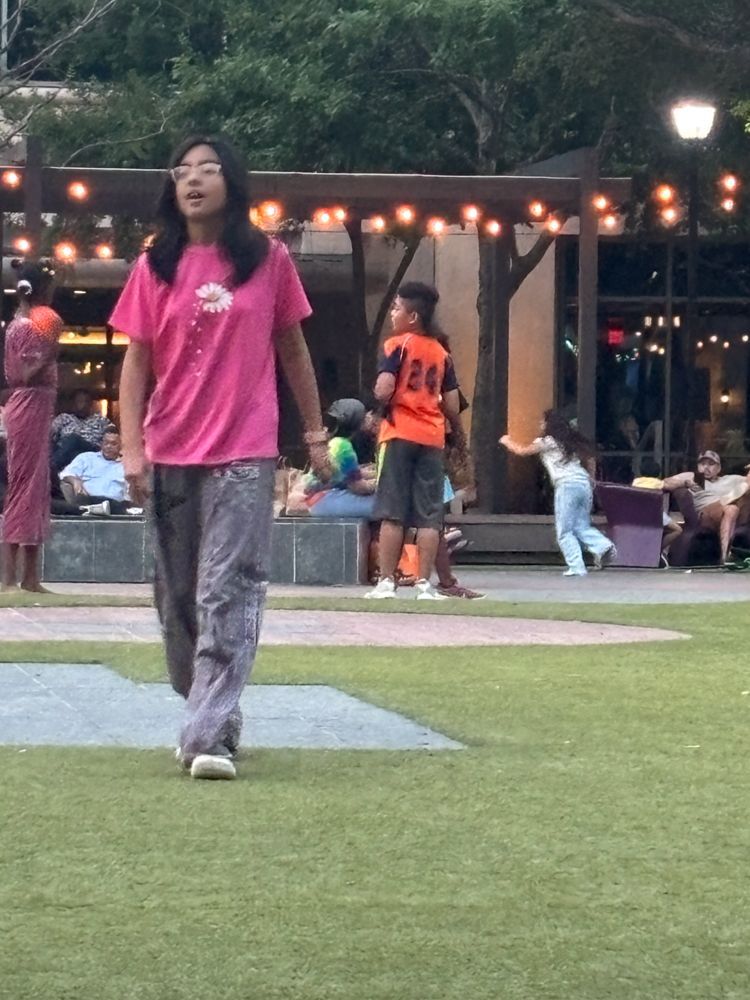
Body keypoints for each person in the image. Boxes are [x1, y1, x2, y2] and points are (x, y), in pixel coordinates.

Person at [110, 134, 330, 781]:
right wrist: (131, 448)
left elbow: (293, 350)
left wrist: (315, 433)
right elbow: (134, 365)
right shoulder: (155, 266)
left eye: (208, 169)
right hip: (171, 449)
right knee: (176, 599)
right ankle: (212, 707)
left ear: (232, 181)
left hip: (245, 450)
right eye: (183, 172)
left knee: (226, 590)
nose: (194, 180)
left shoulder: (268, 260)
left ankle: (205, 736)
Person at [365, 281, 460, 600]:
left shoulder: (397, 345)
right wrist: (456, 433)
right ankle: (424, 584)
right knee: (430, 516)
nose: (393, 313)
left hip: (399, 432)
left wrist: (380, 401)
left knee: (393, 511)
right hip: (432, 437)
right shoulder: (442, 353)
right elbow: (452, 403)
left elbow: (384, 388)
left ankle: (387, 582)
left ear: (413, 316)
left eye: (396, 308)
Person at [1, 260, 61, 592]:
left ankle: (29, 577)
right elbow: (23, 374)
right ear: (41, 290)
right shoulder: (26, 326)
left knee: (35, 487)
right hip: (29, 403)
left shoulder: (25, 322)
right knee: (24, 485)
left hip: (37, 405)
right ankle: (11, 577)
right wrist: (50, 351)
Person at [500, 409, 616, 577]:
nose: (540, 425)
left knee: (564, 530)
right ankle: (603, 546)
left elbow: (523, 451)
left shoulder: (547, 441)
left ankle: (577, 567)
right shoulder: (571, 442)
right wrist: (592, 480)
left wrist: (507, 441)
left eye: (543, 422)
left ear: (549, 424)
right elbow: (591, 459)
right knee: (581, 525)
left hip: (566, 485)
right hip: (583, 483)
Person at [663, 450, 749, 564]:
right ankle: (724, 557)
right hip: (705, 514)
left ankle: (730, 500)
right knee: (731, 509)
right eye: (703, 464)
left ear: (719, 468)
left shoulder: (729, 479)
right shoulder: (692, 476)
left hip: (729, 512)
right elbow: (665, 482)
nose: (706, 467)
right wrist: (685, 483)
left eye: (711, 464)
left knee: (740, 498)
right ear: (698, 466)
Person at [306, 398, 377, 518]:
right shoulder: (343, 447)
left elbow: (346, 474)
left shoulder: (333, 442)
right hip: (324, 500)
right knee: (385, 506)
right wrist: (381, 485)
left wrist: (373, 473)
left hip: (318, 498)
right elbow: (358, 487)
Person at [59, 429, 134, 515]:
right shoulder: (86, 458)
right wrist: (74, 481)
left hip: (114, 504)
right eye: (106, 443)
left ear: (121, 446)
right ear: (101, 444)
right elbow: (64, 474)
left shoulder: (126, 465)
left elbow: (129, 494)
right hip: (88, 500)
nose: (108, 446)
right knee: (81, 501)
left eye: (113, 444)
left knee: (118, 505)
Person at [631, 458, 682, 565]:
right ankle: (658, 549)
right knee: (677, 530)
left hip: (637, 516)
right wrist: (684, 483)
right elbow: (671, 487)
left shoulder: (635, 482)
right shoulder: (658, 483)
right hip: (655, 515)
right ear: (658, 473)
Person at [51, 388, 115, 470]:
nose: (82, 406)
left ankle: (52, 465)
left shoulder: (100, 420)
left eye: (86, 402)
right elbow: (50, 435)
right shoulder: (63, 418)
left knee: (74, 439)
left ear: (91, 404)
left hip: (92, 453)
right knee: (74, 452)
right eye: (79, 401)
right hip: (69, 457)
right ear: (73, 404)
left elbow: (113, 433)